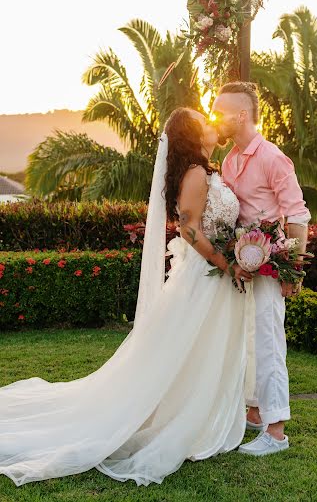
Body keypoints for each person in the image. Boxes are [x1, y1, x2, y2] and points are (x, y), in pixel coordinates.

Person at [0, 107, 253, 487]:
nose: (210, 125)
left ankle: (202, 410)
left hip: (214, 276)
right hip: (204, 277)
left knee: (202, 350)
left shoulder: (207, 170)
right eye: (203, 122)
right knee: (186, 350)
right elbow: (188, 228)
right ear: (192, 135)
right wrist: (225, 262)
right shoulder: (197, 174)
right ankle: (179, 417)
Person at [212, 81, 311, 456]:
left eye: (220, 111)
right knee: (248, 340)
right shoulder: (229, 159)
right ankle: (254, 412)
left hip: (273, 267)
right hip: (243, 266)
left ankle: (276, 432)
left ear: (241, 114)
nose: (215, 118)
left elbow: (297, 213)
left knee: (269, 343)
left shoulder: (272, 157)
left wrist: (295, 270)